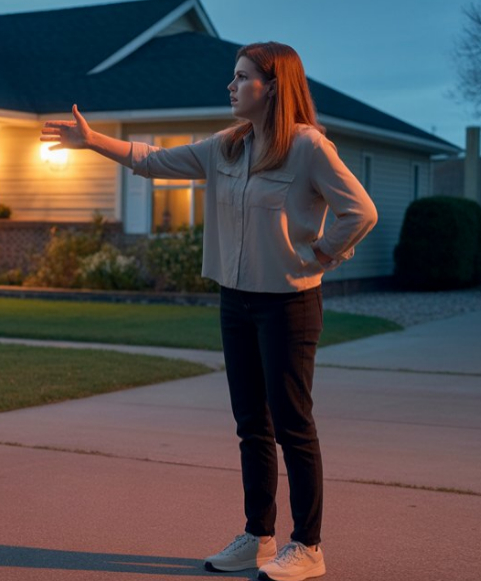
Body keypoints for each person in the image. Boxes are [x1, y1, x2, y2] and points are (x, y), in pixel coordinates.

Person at [42, 42, 376, 581]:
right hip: (236, 300)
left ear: (272, 87)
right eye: (233, 75)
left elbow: (360, 211)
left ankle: (308, 546)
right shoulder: (227, 147)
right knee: (251, 425)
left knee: (292, 425)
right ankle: (258, 537)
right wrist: (93, 140)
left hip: (289, 303)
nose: (231, 85)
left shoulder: (309, 147)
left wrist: (321, 253)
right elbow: (153, 160)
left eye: (242, 77)